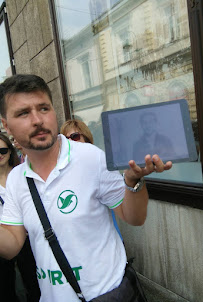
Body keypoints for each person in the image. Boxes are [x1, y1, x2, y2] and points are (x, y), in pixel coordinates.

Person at [0, 74, 172, 302]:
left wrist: (133, 182)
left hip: (108, 294)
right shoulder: (16, 179)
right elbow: (11, 245)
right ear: (5, 125)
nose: (37, 120)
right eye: (23, 113)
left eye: (43, 108)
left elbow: (135, 218)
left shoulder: (90, 157)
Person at [60, 119, 124, 241]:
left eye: (74, 137)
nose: (69, 142)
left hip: (105, 244)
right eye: (64, 139)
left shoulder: (100, 164)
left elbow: (124, 204)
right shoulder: (58, 172)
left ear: (87, 139)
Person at [0, 132, 20, 302]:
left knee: (33, 280)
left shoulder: (21, 174)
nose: (0, 155)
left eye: (3, 151)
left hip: (26, 236)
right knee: (6, 286)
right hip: (3, 240)